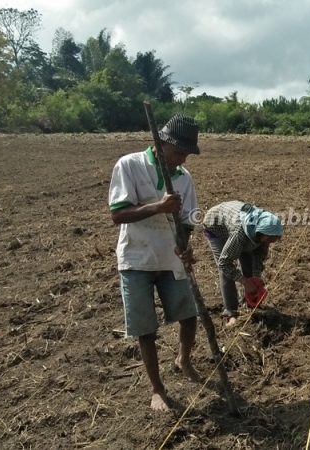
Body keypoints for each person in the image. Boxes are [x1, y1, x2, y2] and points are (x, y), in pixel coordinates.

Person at [108, 113, 203, 412]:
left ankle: (183, 359)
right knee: (145, 327)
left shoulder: (184, 178)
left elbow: (187, 222)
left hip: (169, 257)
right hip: (136, 256)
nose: (182, 159)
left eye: (187, 154)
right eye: (178, 152)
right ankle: (157, 389)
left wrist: (185, 248)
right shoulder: (130, 165)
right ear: (161, 144)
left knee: (189, 316)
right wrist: (158, 207)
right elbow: (118, 214)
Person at [203, 201, 283, 327]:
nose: (269, 244)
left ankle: (248, 303)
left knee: (249, 266)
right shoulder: (239, 234)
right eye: (268, 241)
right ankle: (231, 313)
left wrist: (255, 276)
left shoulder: (265, 232)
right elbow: (225, 263)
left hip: (237, 226)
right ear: (260, 234)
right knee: (226, 273)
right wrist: (245, 282)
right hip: (216, 226)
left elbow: (258, 254)